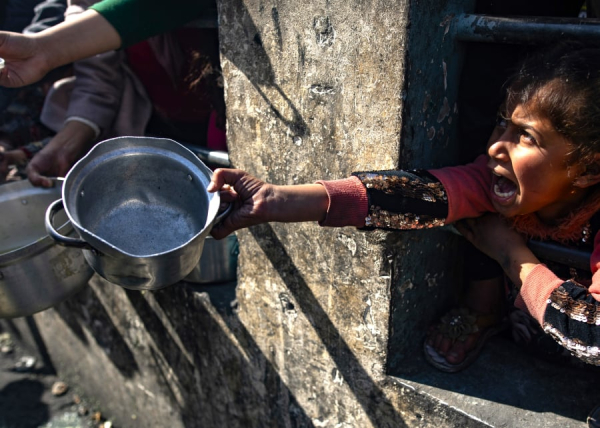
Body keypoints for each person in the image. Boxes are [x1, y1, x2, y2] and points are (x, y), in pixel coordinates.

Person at [207, 42, 600, 378]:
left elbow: (592, 333)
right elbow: (407, 196)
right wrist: (273, 199)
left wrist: (512, 256)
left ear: (588, 169)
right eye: (502, 124)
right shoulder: (496, 176)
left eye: (526, 136)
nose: (496, 146)